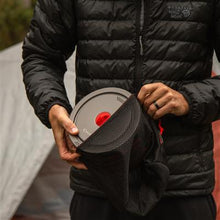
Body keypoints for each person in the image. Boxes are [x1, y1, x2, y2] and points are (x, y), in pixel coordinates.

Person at [21, 0, 220, 219]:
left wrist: (188, 99)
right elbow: (40, 56)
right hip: (98, 178)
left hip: (183, 183)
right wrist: (52, 105)